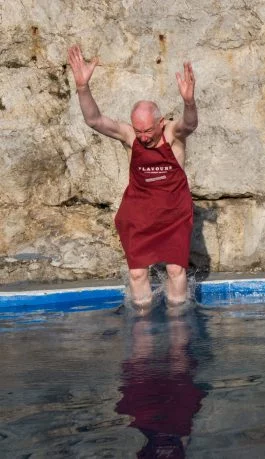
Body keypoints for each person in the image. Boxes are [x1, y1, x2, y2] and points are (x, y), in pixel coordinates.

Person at [67, 45, 198, 309]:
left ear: (160, 123)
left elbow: (190, 124)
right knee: (137, 273)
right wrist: (82, 87)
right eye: (139, 131)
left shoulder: (173, 133)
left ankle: (178, 324)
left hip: (174, 213)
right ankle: (142, 323)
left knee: (175, 270)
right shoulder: (130, 136)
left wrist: (188, 102)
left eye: (148, 131)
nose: (143, 137)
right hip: (139, 212)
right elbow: (94, 120)